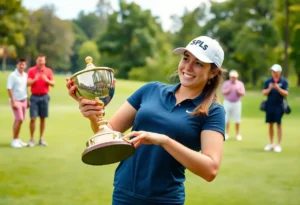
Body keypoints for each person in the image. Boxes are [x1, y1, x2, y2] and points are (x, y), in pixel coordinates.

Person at [67, 36, 226, 205]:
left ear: (214, 72)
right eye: (186, 58)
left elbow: (210, 170)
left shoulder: (214, 111)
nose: (187, 67)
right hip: (124, 193)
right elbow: (111, 130)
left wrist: (164, 141)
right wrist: (93, 114)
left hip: (165, 200)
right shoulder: (151, 90)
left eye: (198, 63)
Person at [27, 54, 55, 147]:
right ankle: (31, 139)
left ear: (45, 61)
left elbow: (53, 83)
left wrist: (47, 80)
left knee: (43, 118)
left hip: (44, 96)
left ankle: (41, 139)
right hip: (34, 97)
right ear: (36, 61)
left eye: (42, 60)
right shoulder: (31, 70)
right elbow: (27, 83)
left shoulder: (48, 71)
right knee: (33, 118)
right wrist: (35, 79)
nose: (41, 62)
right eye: (39, 60)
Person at [262, 64, 289, 153]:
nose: (273, 73)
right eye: (272, 71)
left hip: (279, 105)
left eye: (275, 71)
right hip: (270, 105)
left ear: (279, 72)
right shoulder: (268, 81)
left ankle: (278, 144)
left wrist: (278, 88)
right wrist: (270, 88)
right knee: (270, 124)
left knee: (278, 124)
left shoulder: (284, 81)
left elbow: (286, 93)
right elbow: (264, 93)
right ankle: (271, 143)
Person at [6, 58, 29, 148]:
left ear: (25, 65)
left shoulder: (25, 75)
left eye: (23, 64)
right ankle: (14, 140)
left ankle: (17, 138)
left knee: (20, 120)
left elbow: (25, 89)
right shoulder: (12, 75)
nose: (22, 66)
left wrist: (28, 101)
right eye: (20, 64)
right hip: (16, 100)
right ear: (17, 65)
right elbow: (9, 88)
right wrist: (13, 102)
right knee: (19, 119)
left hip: (24, 99)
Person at [221, 70, 245, 141]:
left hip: (237, 103)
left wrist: (239, 92)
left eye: (234, 77)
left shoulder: (240, 84)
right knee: (226, 118)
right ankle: (226, 133)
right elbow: (223, 92)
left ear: (236, 77)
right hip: (227, 102)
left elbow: (243, 93)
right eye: (232, 77)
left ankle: (237, 134)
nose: (233, 78)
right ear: (230, 77)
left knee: (237, 118)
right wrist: (228, 90)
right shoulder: (226, 83)